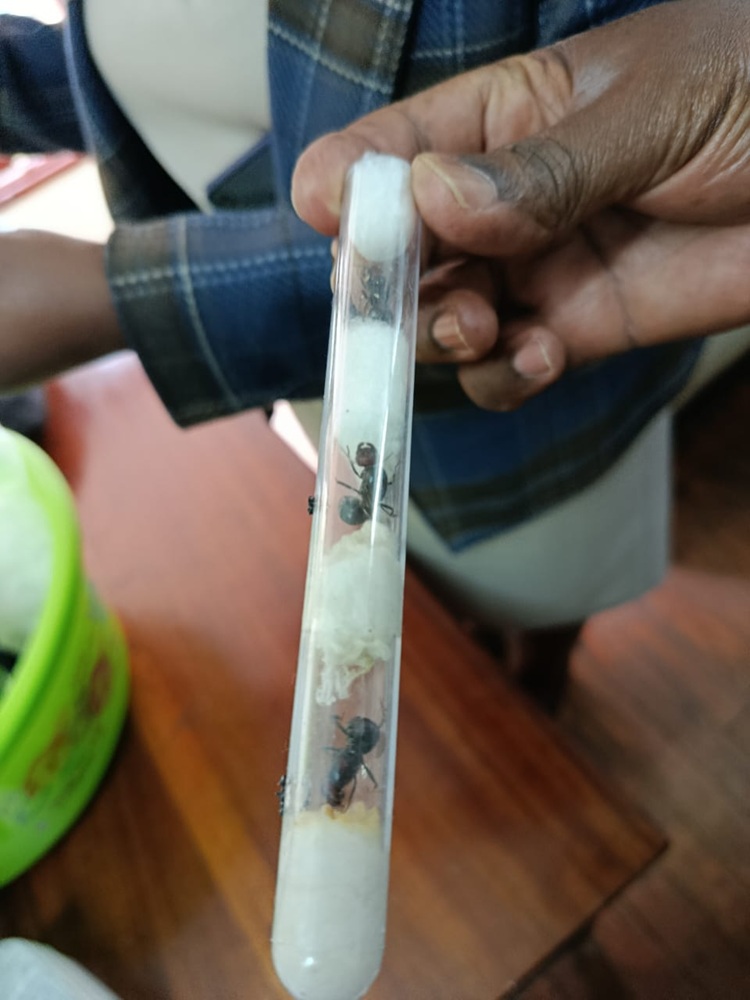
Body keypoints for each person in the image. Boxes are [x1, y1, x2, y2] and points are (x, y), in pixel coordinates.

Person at [1, 0, 746, 707]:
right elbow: (151, 53)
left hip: (536, 413)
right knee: (408, 591)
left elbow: (645, 73)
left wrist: (120, 297)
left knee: (537, 602)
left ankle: (541, 675)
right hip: (337, 385)